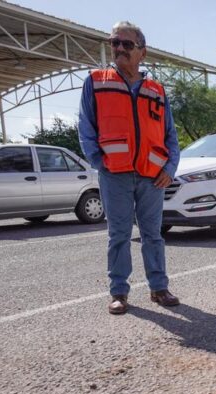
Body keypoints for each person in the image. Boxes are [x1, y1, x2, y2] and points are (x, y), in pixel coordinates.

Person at [78, 21, 180, 315]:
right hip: (115, 174)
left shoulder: (157, 90)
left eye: (127, 44)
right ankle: (119, 292)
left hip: (151, 176)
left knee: (153, 235)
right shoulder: (96, 82)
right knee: (119, 234)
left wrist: (170, 168)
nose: (119, 49)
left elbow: (169, 135)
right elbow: (86, 127)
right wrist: (100, 162)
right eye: (115, 43)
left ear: (142, 53)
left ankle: (159, 288)